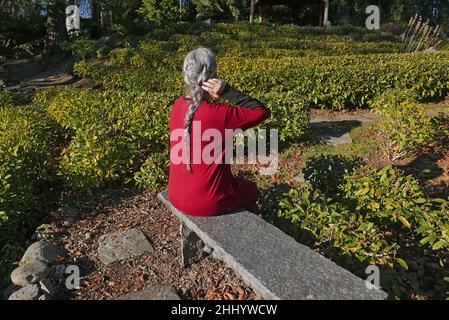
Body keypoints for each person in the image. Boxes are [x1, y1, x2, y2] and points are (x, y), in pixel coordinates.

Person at [168, 48, 270, 217]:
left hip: (175, 194)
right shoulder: (219, 113)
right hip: (208, 202)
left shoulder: (177, 105)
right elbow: (261, 111)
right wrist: (226, 90)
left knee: (234, 183)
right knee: (251, 190)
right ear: (212, 77)